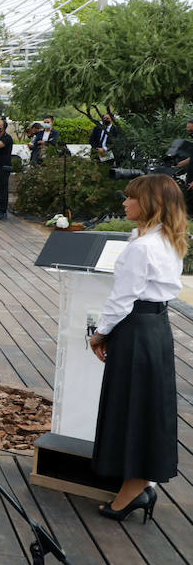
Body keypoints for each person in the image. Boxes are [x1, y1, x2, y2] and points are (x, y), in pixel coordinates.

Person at [86, 174, 186, 522]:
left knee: (133, 405)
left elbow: (122, 299)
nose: (125, 203)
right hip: (156, 329)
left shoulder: (142, 246)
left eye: (131, 198)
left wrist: (99, 334)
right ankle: (138, 483)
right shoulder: (167, 239)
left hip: (136, 329)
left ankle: (134, 487)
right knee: (147, 405)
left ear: (149, 204)